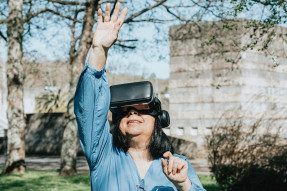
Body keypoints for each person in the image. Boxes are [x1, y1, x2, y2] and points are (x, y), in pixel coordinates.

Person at [74, 2, 206, 191]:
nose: (132, 112)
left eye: (142, 107)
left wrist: (183, 184)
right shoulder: (103, 155)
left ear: (159, 118)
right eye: (125, 110)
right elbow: (88, 110)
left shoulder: (178, 164)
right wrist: (99, 50)